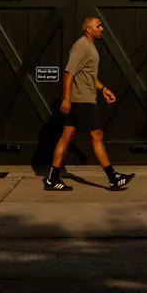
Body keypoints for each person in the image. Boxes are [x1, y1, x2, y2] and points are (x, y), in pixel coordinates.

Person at [44, 16, 134, 192]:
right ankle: (113, 178)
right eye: (98, 26)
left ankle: (52, 179)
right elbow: (69, 73)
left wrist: (103, 89)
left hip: (82, 98)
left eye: (101, 25)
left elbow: (89, 75)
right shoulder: (81, 46)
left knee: (67, 136)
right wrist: (67, 98)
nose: (102, 29)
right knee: (97, 135)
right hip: (82, 100)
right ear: (88, 30)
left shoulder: (89, 47)